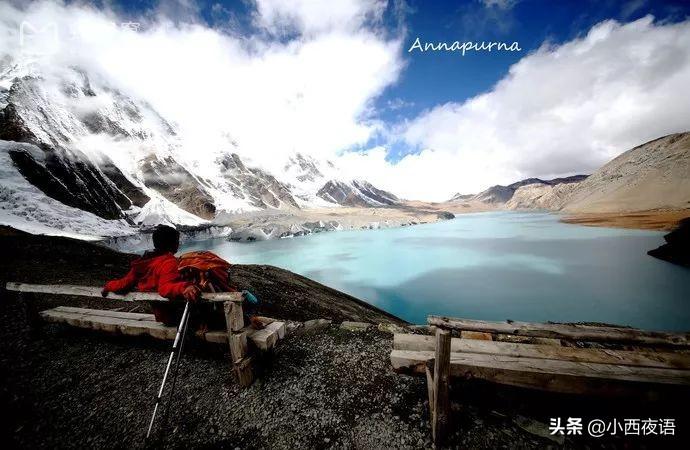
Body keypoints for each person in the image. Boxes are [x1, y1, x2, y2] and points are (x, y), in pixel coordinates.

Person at [102, 225, 201, 324]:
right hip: (177, 316)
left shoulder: (142, 263)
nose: (178, 244)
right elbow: (165, 287)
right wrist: (185, 287)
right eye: (177, 241)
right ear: (172, 243)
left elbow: (124, 284)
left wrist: (108, 286)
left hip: (161, 316)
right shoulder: (168, 262)